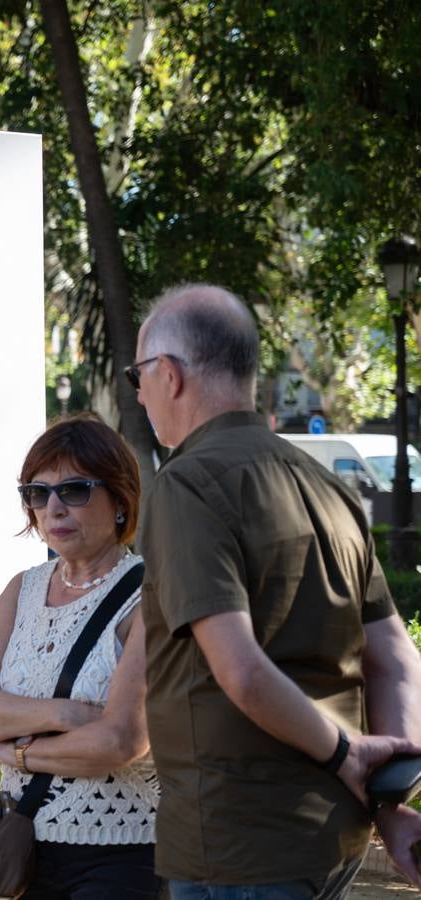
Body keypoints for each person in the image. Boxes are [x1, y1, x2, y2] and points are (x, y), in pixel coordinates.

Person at [133, 283, 421, 897]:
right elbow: (395, 658)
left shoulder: (186, 485)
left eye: (139, 375)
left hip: (237, 840)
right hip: (332, 835)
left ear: (170, 375)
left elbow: (239, 669)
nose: (139, 393)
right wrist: (390, 803)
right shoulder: (330, 488)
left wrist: (344, 753)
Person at [0, 414, 160, 899]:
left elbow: (121, 741)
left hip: (118, 854)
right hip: (18, 847)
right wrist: (67, 715)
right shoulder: (23, 589)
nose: (54, 508)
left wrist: (17, 750)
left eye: (75, 490)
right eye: (37, 493)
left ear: (121, 501)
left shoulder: (150, 596)